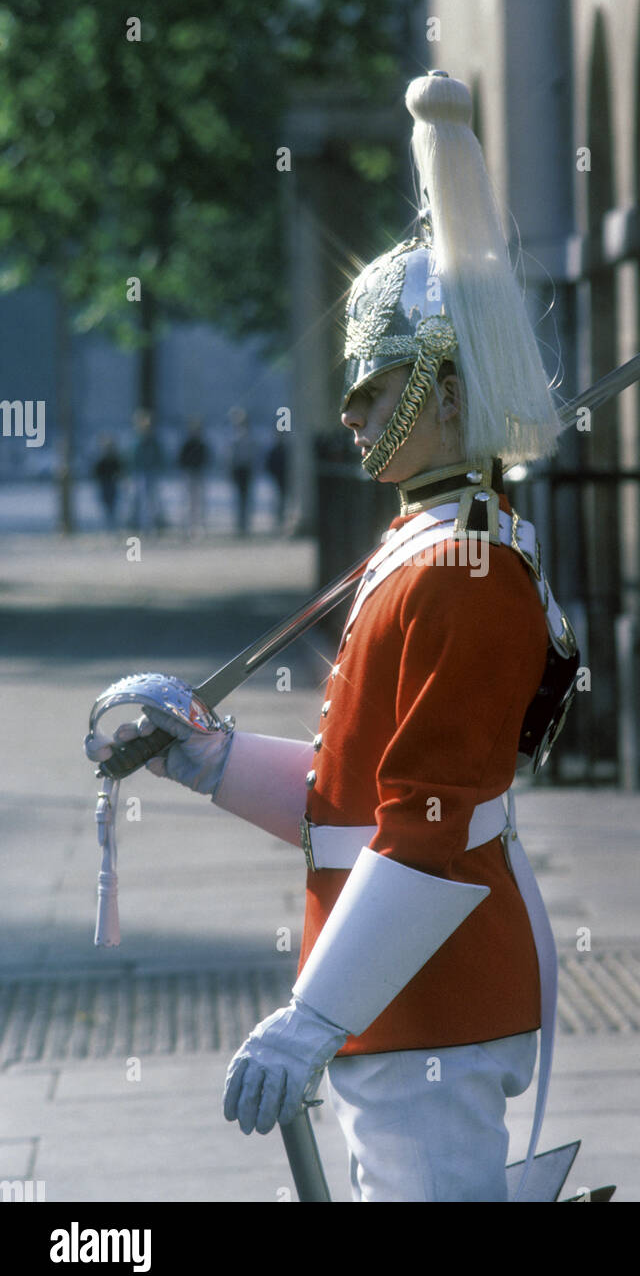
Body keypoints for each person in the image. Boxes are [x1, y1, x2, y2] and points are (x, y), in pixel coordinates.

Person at [87, 72, 579, 1202]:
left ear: (446, 389)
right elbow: (351, 796)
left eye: (379, 384)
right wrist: (208, 757)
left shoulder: (470, 564)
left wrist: (313, 1016)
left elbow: (431, 826)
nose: (352, 410)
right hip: (396, 987)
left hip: (429, 991)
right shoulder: (428, 545)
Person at [178, 417, 210, 536]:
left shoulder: (202, 444)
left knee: (200, 502)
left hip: (199, 474)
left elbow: (206, 457)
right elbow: (181, 459)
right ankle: (187, 527)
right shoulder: (187, 444)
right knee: (188, 502)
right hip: (189, 475)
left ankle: (200, 527)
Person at [228, 407, 254, 536]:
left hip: (246, 470)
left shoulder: (249, 437)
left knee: (246, 498)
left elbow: (253, 456)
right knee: (239, 499)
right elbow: (230, 456)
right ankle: (240, 525)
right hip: (238, 470)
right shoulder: (234, 437)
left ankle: (245, 525)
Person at [92, 434, 123, 529]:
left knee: (113, 504)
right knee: (105, 504)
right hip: (104, 485)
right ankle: (107, 523)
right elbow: (96, 472)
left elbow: (119, 470)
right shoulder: (101, 459)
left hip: (112, 485)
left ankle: (112, 522)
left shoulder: (114, 459)